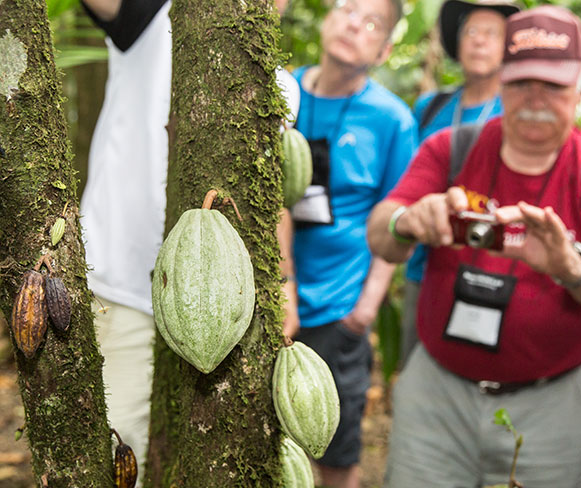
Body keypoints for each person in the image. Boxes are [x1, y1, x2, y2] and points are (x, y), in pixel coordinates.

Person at [367, 6, 581, 487]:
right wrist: (409, 220)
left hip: (551, 404)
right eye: (521, 83)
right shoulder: (451, 148)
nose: (536, 99)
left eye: (553, 85)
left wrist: (568, 262)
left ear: (579, 86)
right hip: (438, 395)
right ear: (501, 79)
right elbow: (379, 232)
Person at [80, 0, 297, 479]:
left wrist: (285, 283)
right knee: (115, 462)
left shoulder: (283, 87)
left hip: (223, 315)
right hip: (122, 291)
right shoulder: (156, 14)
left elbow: (273, 198)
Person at [275, 0, 417, 486]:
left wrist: (365, 310)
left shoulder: (391, 118)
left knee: (334, 453)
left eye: (372, 21)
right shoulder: (282, 91)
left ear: (386, 48)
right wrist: (283, 285)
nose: (355, 22)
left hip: (340, 309)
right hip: (275, 300)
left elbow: (401, 218)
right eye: (348, 7)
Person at [400, 0, 520, 366]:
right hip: (425, 267)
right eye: (471, 31)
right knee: (418, 371)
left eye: (492, 33)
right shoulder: (430, 108)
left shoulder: (517, 114)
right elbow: (405, 190)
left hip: (493, 272)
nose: (479, 41)